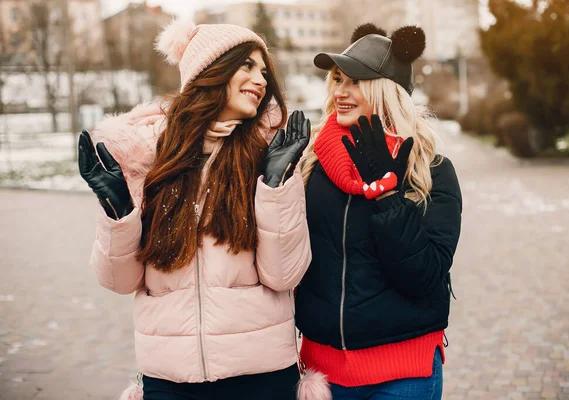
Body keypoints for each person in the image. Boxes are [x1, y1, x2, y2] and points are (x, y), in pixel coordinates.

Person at [78, 19, 311, 400]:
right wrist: (119, 212)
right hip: (169, 378)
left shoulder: (268, 155)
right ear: (210, 72)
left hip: (260, 375)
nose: (262, 80)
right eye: (248, 66)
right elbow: (119, 281)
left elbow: (284, 275)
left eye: (265, 71)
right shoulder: (149, 160)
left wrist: (274, 187)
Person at [295, 23, 462, 400]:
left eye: (354, 81)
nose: (341, 91)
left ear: (385, 90)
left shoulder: (430, 169)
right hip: (323, 373)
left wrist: (387, 198)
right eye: (337, 79)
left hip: (403, 374)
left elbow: (424, 277)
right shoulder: (312, 163)